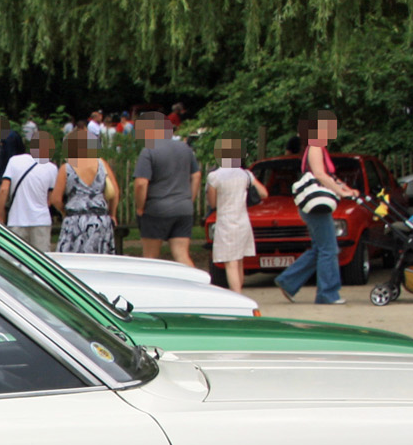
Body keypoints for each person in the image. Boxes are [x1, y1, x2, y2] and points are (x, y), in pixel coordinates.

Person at [275, 112, 357, 305]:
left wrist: (347, 189)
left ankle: (288, 281)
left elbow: (329, 176)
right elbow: (319, 174)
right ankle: (327, 294)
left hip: (316, 206)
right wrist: (341, 192)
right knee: (329, 249)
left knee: (320, 248)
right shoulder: (315, 146)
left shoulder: (319, 148)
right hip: (315, 206)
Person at [132, 113, 201, 265]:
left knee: (150, 258)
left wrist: (140, 207)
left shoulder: (148, 151)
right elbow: (196, 176)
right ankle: (196, 286)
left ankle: (149, 288)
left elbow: (141, 184)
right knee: (182, 254)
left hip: (157, 209)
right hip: (183, 209)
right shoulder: (185, 149)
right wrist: (190, 199)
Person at [206, 139, 264, 289]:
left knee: (230, 263)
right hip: (243, 221)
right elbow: (263, 193)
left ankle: (237, 295)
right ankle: (240, 292)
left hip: (226, 221)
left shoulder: (215, 177)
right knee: (239, 261)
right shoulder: (246, 175)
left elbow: (213, 204)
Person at [51, 131, 118, 253]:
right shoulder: (102, 164)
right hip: (100, 219)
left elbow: (55, 199)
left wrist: (64, 211)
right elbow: (115, 192)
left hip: (75, 220)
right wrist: (112, 214)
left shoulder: (67, 168)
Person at [0, 131, 58, 253]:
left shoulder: (15, 161)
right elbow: (50, 199)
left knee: (15, 259)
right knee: (42, 260)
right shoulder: (52, 168)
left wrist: (0, 215)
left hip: (17, 220)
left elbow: (4, 189)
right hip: (41, 221)